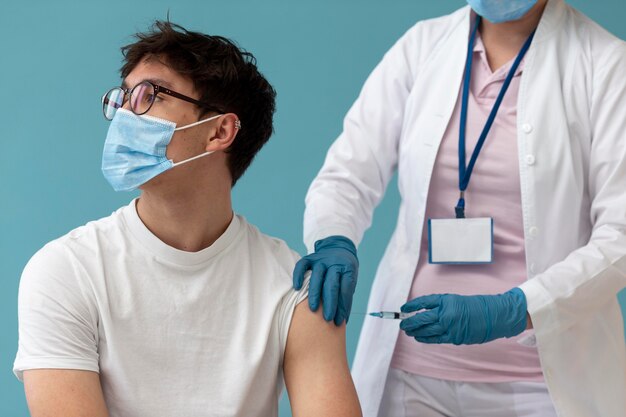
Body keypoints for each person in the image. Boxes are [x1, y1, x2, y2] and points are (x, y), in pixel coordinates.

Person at [293, 0, 626, 416]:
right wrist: (334, 239)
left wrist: (516, 309)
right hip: (412, 376)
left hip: (540, 382)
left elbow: (620, 236)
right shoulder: (422, 46)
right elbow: (347, 173)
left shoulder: (608, 65)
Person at [14, 21, 362, 417]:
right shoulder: (65, 271)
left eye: (149, 95)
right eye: (123, 97)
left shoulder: (295, 287)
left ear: (219, 131)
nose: (126, 115)